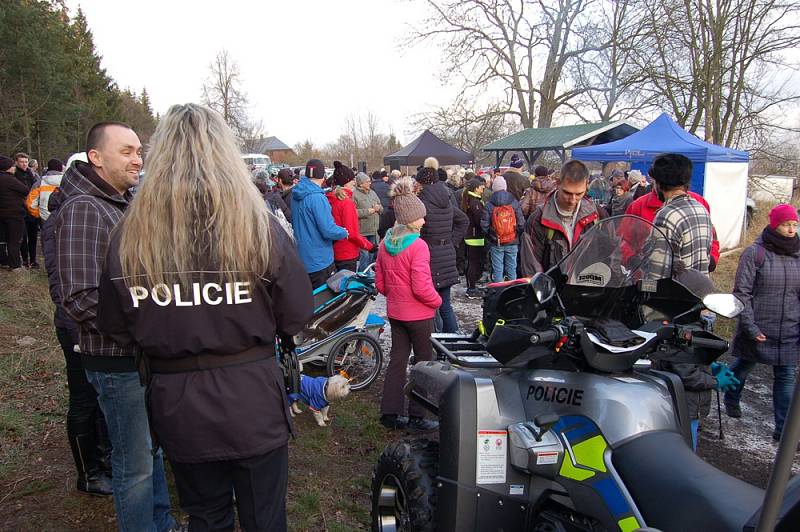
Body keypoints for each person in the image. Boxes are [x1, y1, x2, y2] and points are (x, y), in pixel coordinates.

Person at [97, 104, 313, 531]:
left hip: (179, 405)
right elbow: (296, 315)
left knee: (206, 515)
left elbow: (116, 326)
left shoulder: (130, 233)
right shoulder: (258, 226)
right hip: (251, 401)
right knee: (264, 518)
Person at [53, 122, 178, 532]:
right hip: (114, 361)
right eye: (126, 151)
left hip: (136, 356)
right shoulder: (85, 208)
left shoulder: (117, 203)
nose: (137, 159)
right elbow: (79, 296)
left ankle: (161, 524)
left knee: (150, 451)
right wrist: (144, 331)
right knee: (134, 466)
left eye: (139, 151)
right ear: (96, 157)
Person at [42, 182, 113, 496]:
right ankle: (89, 473)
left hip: (84, 320)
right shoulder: (67, 217)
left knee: (98, 400)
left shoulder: (82, 210)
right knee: (84, 399)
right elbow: (63, 281)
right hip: (75, 323)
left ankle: (105, 458)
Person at [725, 204, 800, 442]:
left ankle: (783, 431)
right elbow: (742, 293)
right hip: (758, 326)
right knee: (745, 366)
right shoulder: (755, 253)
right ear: (774, 224)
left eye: (794, 225)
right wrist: (750, 327)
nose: (791, 229)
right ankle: (731, 395)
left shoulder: (798, 254)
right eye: (786, 224)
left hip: (789, 327)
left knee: (786, 375)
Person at [375, 177, 441, 432]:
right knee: (424, 363)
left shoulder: (385, 243)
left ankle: (389, 413)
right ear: (410, 218)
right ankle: (418, 415)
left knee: (397, 360)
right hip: (419, 315)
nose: (424, 221)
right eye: (420, 217)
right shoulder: (418, 246)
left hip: (396, 312)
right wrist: (436, 301)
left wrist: (395, 296)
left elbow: (380, 284)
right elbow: (422, 287)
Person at [520, 160, 605, 275]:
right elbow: (531, 268)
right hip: (553, 291)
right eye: (567, 193)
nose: (572, 200)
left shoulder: (598, 214)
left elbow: (611, 254)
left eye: (579, 193)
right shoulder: (537, 219)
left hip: (590, 289)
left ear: (586, 185)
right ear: (558, 183)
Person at [416, 157, 468, 333]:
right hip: (446, 254)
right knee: (445, 304)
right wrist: (452, 242)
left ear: (423, 184)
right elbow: (463, 221)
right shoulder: (446, 199)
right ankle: (453, 341)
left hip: (430, 256)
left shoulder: (422, 204)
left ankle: (439, 346)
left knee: (431, 305)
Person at [648, 154, 714, 276]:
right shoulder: (701, 209)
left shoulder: (666, 215)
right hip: (699, 290)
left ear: (659, 183)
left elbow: (657, 270)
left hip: (675, 292)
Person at [291, 159, 348, 288]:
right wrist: (343, 232)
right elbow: (328, 229)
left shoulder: (296, 194)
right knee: (323, 303)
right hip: (320, 260)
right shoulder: (318, 197)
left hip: (302, 258)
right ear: (323, 176)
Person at [326, 161, 373, 272]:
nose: (354, 182)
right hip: (347, 252)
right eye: (352, 180)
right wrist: (369, 246)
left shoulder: (330, 198)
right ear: (346, 182)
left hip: (334, 251)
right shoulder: (346, 202)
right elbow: (352, 233)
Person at [481, 176, 524, 282]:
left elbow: (484, 225)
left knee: (498, 269)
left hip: (497, 242)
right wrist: (515, 234)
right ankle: (512, 291)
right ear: (505, 187)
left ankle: (499, 292)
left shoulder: (489, 204)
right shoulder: (514, 202)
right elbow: (521, 222)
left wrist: (492, 236)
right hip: (512, 240)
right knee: (512, 268)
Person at [0, 156, 29, 271]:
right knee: (14, 240)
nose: (14, 168)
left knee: (2, 239)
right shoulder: (9, 179)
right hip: (13, 214)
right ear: (7, 167)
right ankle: (15, 265)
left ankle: (3, 260)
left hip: (1, 214)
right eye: (12, 166)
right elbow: (25, 190)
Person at [462, 178, 486, 298]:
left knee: (472, 262)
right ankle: (471, 288)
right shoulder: (475, 202)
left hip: (471, 235)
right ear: (476, 188)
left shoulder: (469, 200)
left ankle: (471, 286)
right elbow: (478, 220)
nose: (483, 188)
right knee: (473, 263)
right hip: (475, 236)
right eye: (481, 187)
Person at [352, 172, 382, 271]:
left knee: (372, 255)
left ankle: (369, 274)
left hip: (374, 230)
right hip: (362, 232)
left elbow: (381, 207)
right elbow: (352, 212)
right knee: (364, 256)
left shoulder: (373, 193)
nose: (370, 183)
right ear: (361, 183)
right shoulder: (354, 195)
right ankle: (362, 275)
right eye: (367, 181)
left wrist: (379, 208)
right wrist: (367, 211)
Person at [14, 152, 39, 268]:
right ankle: (25, 260)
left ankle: (33, 259)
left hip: (32, 208)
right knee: (23, 237)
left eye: (25, 162)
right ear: (17, 162)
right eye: (21, 162)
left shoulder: (31, 174)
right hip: (20, 208)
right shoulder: (14, 175)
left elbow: (35, 188)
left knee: (33, 236)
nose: (24, 164)